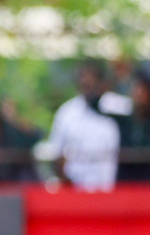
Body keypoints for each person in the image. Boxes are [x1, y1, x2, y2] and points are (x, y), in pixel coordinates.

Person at [47, 60, 128, 192]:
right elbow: (56, 154)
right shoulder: (66, 113)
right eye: (83, 79)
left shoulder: (120, 108)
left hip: (113, 191)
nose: (87, 83)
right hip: (77, 193)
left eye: (91, 79)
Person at [117, 69, 150, 183]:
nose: (139, 94)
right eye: (136, 89)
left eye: (143, 90)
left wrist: (134, 70)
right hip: (125, 178)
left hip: (147, 177)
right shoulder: (125, 120)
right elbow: (97, 106)